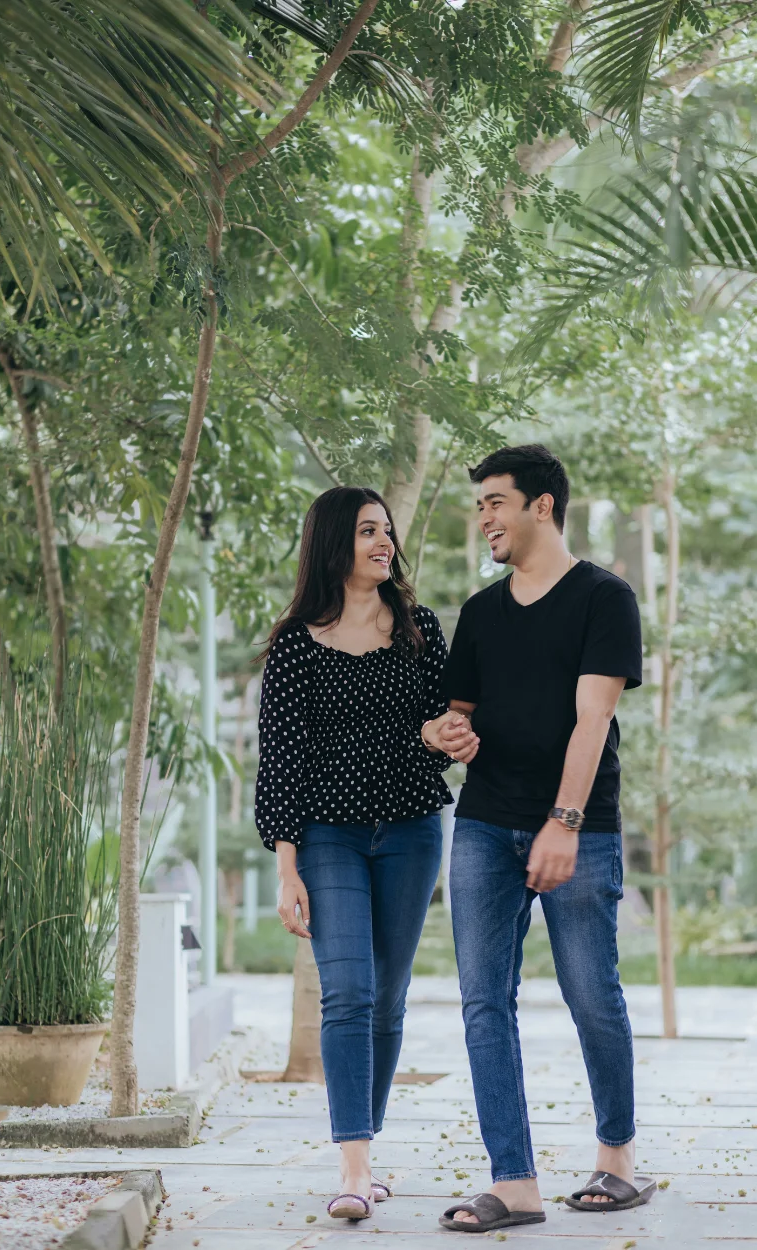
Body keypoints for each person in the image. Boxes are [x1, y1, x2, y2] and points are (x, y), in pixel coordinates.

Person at [422, 444, 655, 1234]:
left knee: (591, 993)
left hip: (578, 827)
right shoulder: (480, 612)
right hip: (485, 823)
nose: (483, 517)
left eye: (495, 501)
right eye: (479, 505)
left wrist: (564, 821)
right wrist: (446, 733)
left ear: (542, 506)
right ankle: (514, 1183)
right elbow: (459, 716)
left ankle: (617, 1159)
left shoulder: (604, 598)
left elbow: (594, 718)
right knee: (484, 1003)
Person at [255, 485, 456, 1221]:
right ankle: (354, 1168)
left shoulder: (420, 629)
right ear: (335, 543)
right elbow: (280, 760)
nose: (384, 542)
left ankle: (364, 1150)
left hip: (411, 830)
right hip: (327, 836)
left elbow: (442, 724)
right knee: (347, 990)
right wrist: (286, 868)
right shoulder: (296, 643)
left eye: (387, 530)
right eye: (369, 530)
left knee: (388, 995)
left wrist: (446, 735)